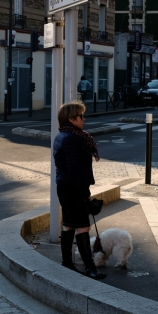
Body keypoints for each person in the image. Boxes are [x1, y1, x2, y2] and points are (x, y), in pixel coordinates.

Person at [53, 101, 106, 280]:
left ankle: (67, 262)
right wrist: (84, 192)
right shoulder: (72, 139)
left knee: (69, 224)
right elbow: (75, 169)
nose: (84, 119)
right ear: (71, 119)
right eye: (81, 116)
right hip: (73, 188)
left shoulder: (63, 136)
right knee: (83, 226)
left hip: (65, 187)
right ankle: (90, 268)